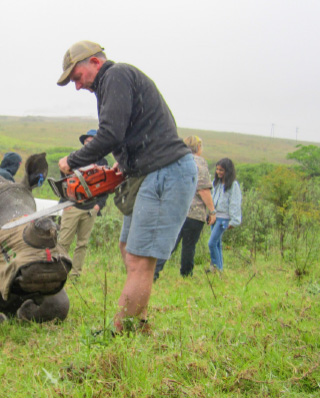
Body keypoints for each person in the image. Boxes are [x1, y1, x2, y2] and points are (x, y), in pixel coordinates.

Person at [57, 40, 197, 334]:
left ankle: (120, 331)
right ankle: (140, 321)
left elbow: (110, 133)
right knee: (127, 248)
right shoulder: (114, 82)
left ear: (95, 62)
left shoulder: (116, 75)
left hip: (165, 173)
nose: (77, 86)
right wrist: (126, 163)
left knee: (139, 259)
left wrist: (73, 160)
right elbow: (136, 129)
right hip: (149, 172)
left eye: (77, 77)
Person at [153, 136, 216, 281]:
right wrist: (212, 211)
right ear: (198, 148)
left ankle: (153, 271)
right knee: (189, 246)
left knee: (170, 243)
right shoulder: (200, 163)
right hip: (194, 212)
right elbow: (203, 190)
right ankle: (186, 275)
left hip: (175, 209)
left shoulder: (177, 161)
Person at [58, 129, 109, 278]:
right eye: (88, 141)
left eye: (93, 141)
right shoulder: (75, 158)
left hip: (90, 208)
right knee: (63, 242)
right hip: (72, 206)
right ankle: (59, 272)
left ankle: (75, 274)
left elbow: (106, 186)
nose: (90, 143)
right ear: (84, 143)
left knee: (82, 244)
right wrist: (64, 202)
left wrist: (99, 205)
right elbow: (63, 182)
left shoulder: (102, 162)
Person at [207, 158, 242, 273]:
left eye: (221, 170)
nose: (218, 172)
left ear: (228, 171)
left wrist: (234, 221)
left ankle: (217, 269)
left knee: (211, 243)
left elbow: (235, 203)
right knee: (217, 243)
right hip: (215, 216)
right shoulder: (215, 183)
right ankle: (219, 270)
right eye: (217, 169)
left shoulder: (233, 185)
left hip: (224, 218)